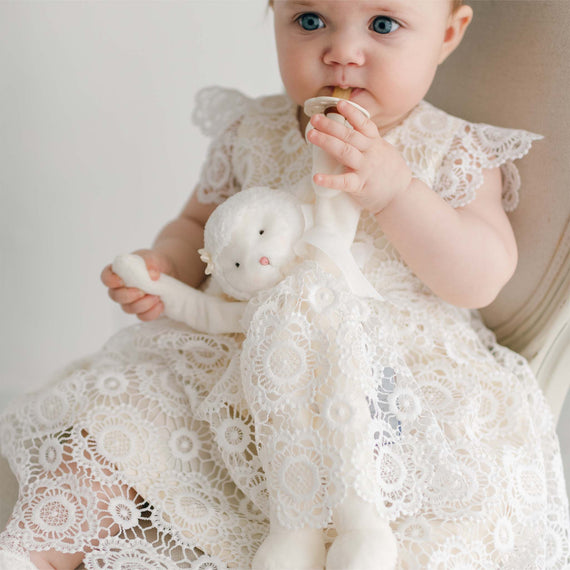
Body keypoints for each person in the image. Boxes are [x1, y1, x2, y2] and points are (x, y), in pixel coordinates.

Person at [1, 0, 568, 568]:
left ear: (448, 33)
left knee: (427, 507)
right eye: (310, 21)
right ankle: (38, 551)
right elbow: (199, 225)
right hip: (235, 363)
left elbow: (481, 277)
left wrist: (398, 194)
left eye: (383, 24)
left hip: (381, 379)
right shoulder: (254, 131)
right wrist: (167, 266)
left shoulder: (450, 148)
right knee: (127, 411)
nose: (342, 52)